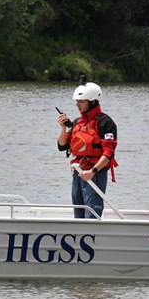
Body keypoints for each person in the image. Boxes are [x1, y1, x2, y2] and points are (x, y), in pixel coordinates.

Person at [56, 79, 118, 219]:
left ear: (92, 101)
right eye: (77, 101)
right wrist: (63, 127)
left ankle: (92, 236)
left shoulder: (105, 122)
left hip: (94, 173)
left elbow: (109, 152)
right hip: (78, 173)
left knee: (92, 213)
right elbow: (62, 146)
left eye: (81, 101)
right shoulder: (77, 122)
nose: (77, 104)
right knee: (78, 213)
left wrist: (92, 171)